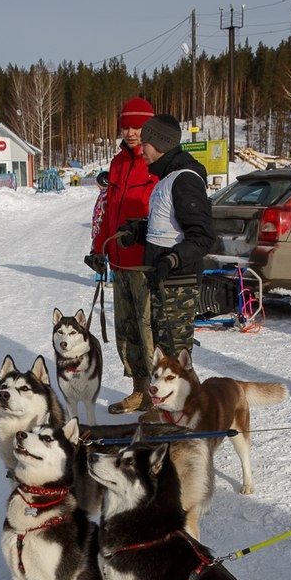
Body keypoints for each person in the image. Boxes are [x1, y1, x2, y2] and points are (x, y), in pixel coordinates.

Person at [88, 98, 158, 414]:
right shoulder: (117, 163)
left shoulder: (158, 162)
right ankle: (139, 390)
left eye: (137, 126)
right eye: (126, 126)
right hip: (118, 262)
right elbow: (109, 212)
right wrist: (98, 248)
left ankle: (162, 397)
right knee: (127, 330)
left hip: (145, 262)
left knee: (149, 331)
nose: (131, 133)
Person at [133, 114, 217, 361]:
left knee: (176, 365)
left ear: (160, 144)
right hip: (164, 282)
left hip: (178, 284)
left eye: (145, 143)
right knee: (166, 360)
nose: (141, 150)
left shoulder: (185, 179)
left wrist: (171, 260)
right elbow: (168, 228)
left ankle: (194, 401)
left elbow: (202, 236)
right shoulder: (168, 178)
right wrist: (139, 232)